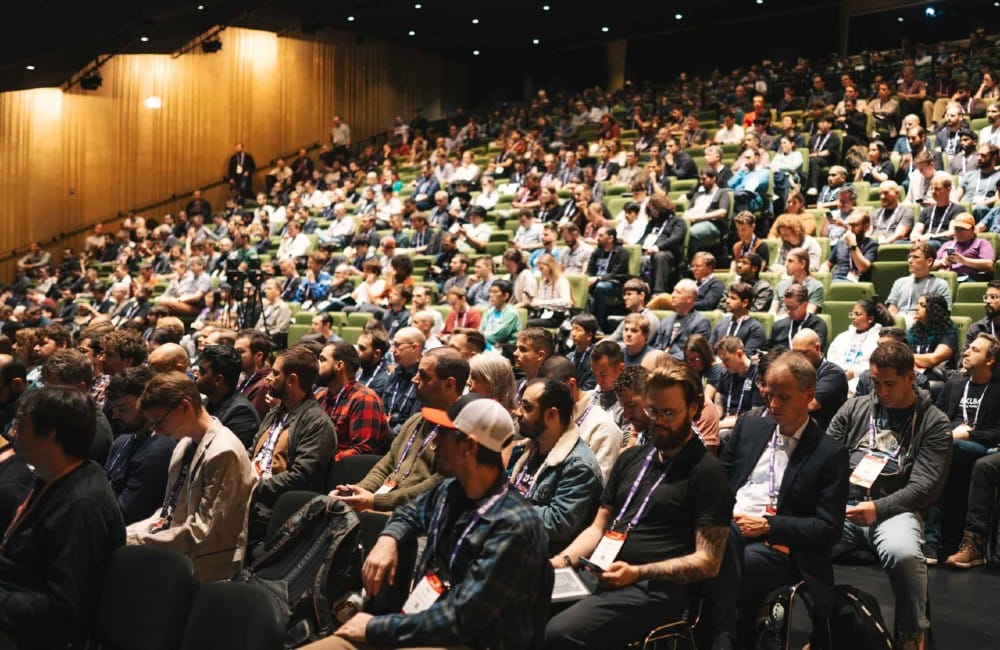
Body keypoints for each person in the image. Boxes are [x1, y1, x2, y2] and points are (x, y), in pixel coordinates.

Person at [309, 394, 551, 650]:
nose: (434, 444)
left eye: (443, 435)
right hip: (423, 622)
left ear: (468, 446)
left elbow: (461, 619)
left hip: (471, 640)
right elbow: (409, 513)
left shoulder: (515, 526)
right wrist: (387, 539)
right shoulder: (451, 490)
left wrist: (375, 628)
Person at [545, 364, 734, 650]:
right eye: (652, 411)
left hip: (652, 590)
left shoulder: (707, 472)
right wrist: (559, 563)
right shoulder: (631, 458)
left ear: (693, 410)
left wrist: (638, 572)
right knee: (525, 601)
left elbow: (708, 562)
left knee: (559, 633)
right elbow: (598, 527)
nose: (657, 421)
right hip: (600, 573)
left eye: (668, 413)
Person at [721, 352, 850, 647]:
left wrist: (769, 526)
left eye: (784, 397)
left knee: (724, 569)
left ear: (808, 396)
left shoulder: (829, 454)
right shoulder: (749, 427)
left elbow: (828, 528)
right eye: (770, 394)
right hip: (729, 528)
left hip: (778, 546)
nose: (774, 405)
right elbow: (720, 482)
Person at [828, 341, 951, 650]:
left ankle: (912, 633)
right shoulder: (854, 408)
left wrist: (878, 508)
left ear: (911, 377)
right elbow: (824, 456)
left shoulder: (933, 422)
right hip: (843, 507)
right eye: (875, 381)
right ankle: (819, 628)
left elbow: (924, 488)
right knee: (793, 540)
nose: (880, 390)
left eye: (889, 383)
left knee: (904, 553)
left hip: (894, 510)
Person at [0, 386, 125, 649]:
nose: (12, 432)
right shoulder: (52, 476)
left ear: (51, 433)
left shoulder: (82, 506)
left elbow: (62, 611)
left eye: (21, 424)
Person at [127, 372, 256, 583]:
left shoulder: (224, 451)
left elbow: (201, 532)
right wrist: (127, 532)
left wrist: (133, 539)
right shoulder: (184, 445)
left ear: (185, 406)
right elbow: (168, 512)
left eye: (159, 422)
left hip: (208, 567)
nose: (157, 432)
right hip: (178, 552)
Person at [333, 347, 469, 513]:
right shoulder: (416, 420)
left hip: (415, 513)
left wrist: (375, 501)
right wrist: (358, 492)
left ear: (449, 384)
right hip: (382, 504)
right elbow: (387, 464)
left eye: (424, 376)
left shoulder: (460, 431)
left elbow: (436, 484)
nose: (414, 379)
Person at [249, 346, 336, 542]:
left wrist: (253, 487)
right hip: (252, 495)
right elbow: (252, 451)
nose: (269, 378)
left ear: (292, 380)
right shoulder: (275, 412)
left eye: (275, 373)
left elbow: (301, 477)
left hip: (277, 511)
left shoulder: (317, 423)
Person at [509, 378, 604, 555]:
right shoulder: (528, 448)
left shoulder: (579, 465)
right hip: (515, 543)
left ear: (552, 415)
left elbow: (557, 523)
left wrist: (505, 507)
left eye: (527, 407)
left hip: (542, 559)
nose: (517, 412)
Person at [105, 366, 177, 524]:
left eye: (123, 409)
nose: (115, 415)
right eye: (114, 408)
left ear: (147, 403)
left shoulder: (159, 450)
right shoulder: (122, 441)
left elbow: (127, 512)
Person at [317, 342, 389, 461]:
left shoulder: (365, 399)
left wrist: (323, 460)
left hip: (347, 472)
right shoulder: (321, 396)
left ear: (339, 366)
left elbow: (363, 450)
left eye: (322, 360)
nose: (317, 365)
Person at [195, 344, 261, 448]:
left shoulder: (242, 414)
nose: (196, 375)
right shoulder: (207, 402)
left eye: (202, 372)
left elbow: (224, 455)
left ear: (218, 380)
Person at [827, 299, 894, 393]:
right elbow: (832, 358)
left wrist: (854, 372)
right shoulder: (842, 336)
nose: (853, 317)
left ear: (870, 318)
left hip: (863, 379)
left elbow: (879, 363)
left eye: (857, 314)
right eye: (852, 314)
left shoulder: (879, 338)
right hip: (838, 376)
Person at [790, 329, 848, 429]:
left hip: (823, 434)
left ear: (817, 348)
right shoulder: (794, 369)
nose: (798, 358)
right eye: (794, 353)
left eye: (803, 353)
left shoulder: (834, 374)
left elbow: (810, 405)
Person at [886, 242, 953, 325]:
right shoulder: (899, 282)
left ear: (929, 261)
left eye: (915, 257)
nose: (910, 261)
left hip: (923, 327)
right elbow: (892, 309)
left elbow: (942, 314)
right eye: (909, 257)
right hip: (899, 325)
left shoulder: (941, 285)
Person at [586, 226, 631, 333]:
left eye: (601, 236)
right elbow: (589, 270)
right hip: (596, 281)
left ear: (610, 238)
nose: (597, 238)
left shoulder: (621, 252)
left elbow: (616, 274)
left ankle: (598, 325)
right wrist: (587, 279)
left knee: (599, 287)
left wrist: (598, 279)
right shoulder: (597, 252)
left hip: (615, 284)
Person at [656, 279, 712, 360]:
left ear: (689, 299)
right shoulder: (666, 321)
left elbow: (695, 352)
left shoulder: (701, 322)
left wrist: (668, 359)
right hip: (660, 363)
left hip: (683, 366)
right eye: (673, 291)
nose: (672, 295)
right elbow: (657, 345)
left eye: (678, 292)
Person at [384, 327, 425, 435]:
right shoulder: (394, 374)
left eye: (397, 345)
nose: (392, 350)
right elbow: (383, 408)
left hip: (404, 437)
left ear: (414, 347)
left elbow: (414, 422)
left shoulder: (424, 379)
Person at [908, 294, 959, 380]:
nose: (916, 308)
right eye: (917, 304)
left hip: (936, 377)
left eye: (922, 305)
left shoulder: (948, 332)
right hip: (914, 374)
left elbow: (934, 359)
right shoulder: (912, 331)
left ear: (934, 310)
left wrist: (906, 358)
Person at [933, 213, 995, 282]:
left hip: (969, 279)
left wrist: (963, 260)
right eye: (957, 229)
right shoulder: (948, 244)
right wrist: (942, 262)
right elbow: (929, 264)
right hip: (946, 279)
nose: (959, 232)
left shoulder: (981, 243)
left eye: (963, 229)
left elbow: (989, 265)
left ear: (972, 229)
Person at [766, 284, 829, 351]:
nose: (789, 311)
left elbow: (815, 352)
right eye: (787, 307)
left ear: (805, 305)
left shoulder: (817, 324)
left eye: (793, 307)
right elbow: (768, 350)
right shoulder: (778, 325)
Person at [711, 282, 767, 357]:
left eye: (733, 298)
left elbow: (747, 357)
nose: (727, 301)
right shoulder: (720, 325)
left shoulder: (755, 329)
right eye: (728, 297)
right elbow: (709, 353)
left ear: (745, 303)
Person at [824, 211, 878, 282]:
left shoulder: (871, 244)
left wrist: (853, 245)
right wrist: (823, 272)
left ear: (866, 227)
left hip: (856, 283)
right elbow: (827, 264)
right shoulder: (841, 243)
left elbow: (863, 267)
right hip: (837, 279)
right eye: (849, 225)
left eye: (855, 225)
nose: (851, 229)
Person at [234, 329, 273, 420]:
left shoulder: (264, 386)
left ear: (258, 356)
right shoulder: (246, 377)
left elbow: (248, 420)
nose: (234, 355)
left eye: (240, 352)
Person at [528, 252, 572, 328]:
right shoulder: (543, 281)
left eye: (542, 269)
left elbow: (566, 302)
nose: (540, 271)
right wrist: (534, 302)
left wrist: (542, 302)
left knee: (527, 323)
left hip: (558, 316)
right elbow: (541, 302)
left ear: (550, 267)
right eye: (539, 269)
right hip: (544, 313)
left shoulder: (561, 281)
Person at [479, 279, 521, 352]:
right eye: (491, 291)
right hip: (487, 344)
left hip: (506, 349)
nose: (491, 295)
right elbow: (481, 330)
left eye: (495, 292)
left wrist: (480, 337)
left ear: (505, 296)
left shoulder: (511, 313)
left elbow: (498, 336)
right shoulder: (489, 311)